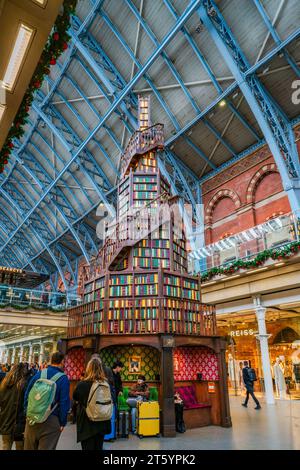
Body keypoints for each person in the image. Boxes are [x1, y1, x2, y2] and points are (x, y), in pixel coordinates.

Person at [24, 352, 70, 450]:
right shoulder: (63, 378)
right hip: (51, 419)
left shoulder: (39, 374)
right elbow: (64, 402)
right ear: (62, 362)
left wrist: (27, 412)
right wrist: (62, 422)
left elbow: (27, 394)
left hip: (32, 418)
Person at [73, 358, 111, 450]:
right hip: (102, 421)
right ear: (101, 369)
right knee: (99, 447)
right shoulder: (105, 384)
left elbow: (75, 397)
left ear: (88, 369)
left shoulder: (82, 384)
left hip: (87, 424)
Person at [0, 363, 31, 450]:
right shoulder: (24, 385)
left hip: (5, 422)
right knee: (20, 447)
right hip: (20, 424)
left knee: (6, 445)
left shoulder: (3, 384)